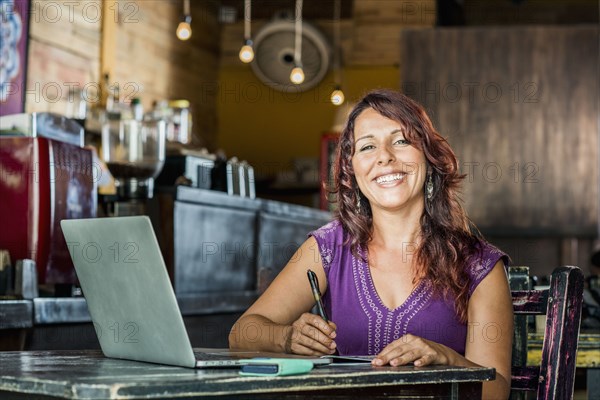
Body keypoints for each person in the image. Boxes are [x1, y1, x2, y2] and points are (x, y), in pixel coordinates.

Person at [229, 89, 513, 399]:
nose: (385, 157)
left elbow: (497, 392)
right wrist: (286, 337)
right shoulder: (328, 247)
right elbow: (242, 333)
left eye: (401, 141)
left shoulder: (480, 265)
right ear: (353, 172)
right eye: (367, 146)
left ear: (429, 159)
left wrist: (449, 361)